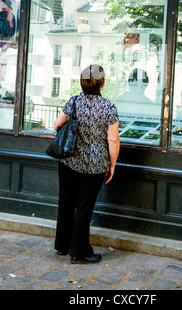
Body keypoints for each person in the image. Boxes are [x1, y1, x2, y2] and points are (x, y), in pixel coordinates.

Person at [53, 64, 120, 264]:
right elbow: (113, 140)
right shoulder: (108, 107)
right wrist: (113, 165)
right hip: (95, 165)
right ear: (102, 84)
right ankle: (80, 251)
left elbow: (57, 125)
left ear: (82, 83)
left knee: (66, 202)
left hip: (70, 161)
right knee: (84, 207)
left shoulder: (73, 102)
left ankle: (62, 245)